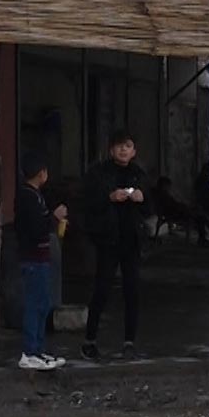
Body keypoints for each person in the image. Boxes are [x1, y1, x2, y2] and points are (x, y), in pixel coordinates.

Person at [80, 130, 149, 360]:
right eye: (119, 146)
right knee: (101, 290)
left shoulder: (139, 175)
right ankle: (89, 340)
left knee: (132, 291)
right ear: (111, 150)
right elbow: (86, 202)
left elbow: (151, 208)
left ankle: (129, 342)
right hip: (108, 240)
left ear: (134, 151)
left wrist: (142, 198)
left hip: (131, 241)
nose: (123, 150)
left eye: (127, 146)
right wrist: (109, 198)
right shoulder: (99, 174)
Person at [13, 153, 67, 371]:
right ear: (41, 173)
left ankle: (38, 348)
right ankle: (29, 351)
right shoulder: (28, 197)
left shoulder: (34, 195)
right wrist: (54, 218)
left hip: (39, 257)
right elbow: (36, 228)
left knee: (43, 304)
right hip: (33, 258)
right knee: (35, 305)